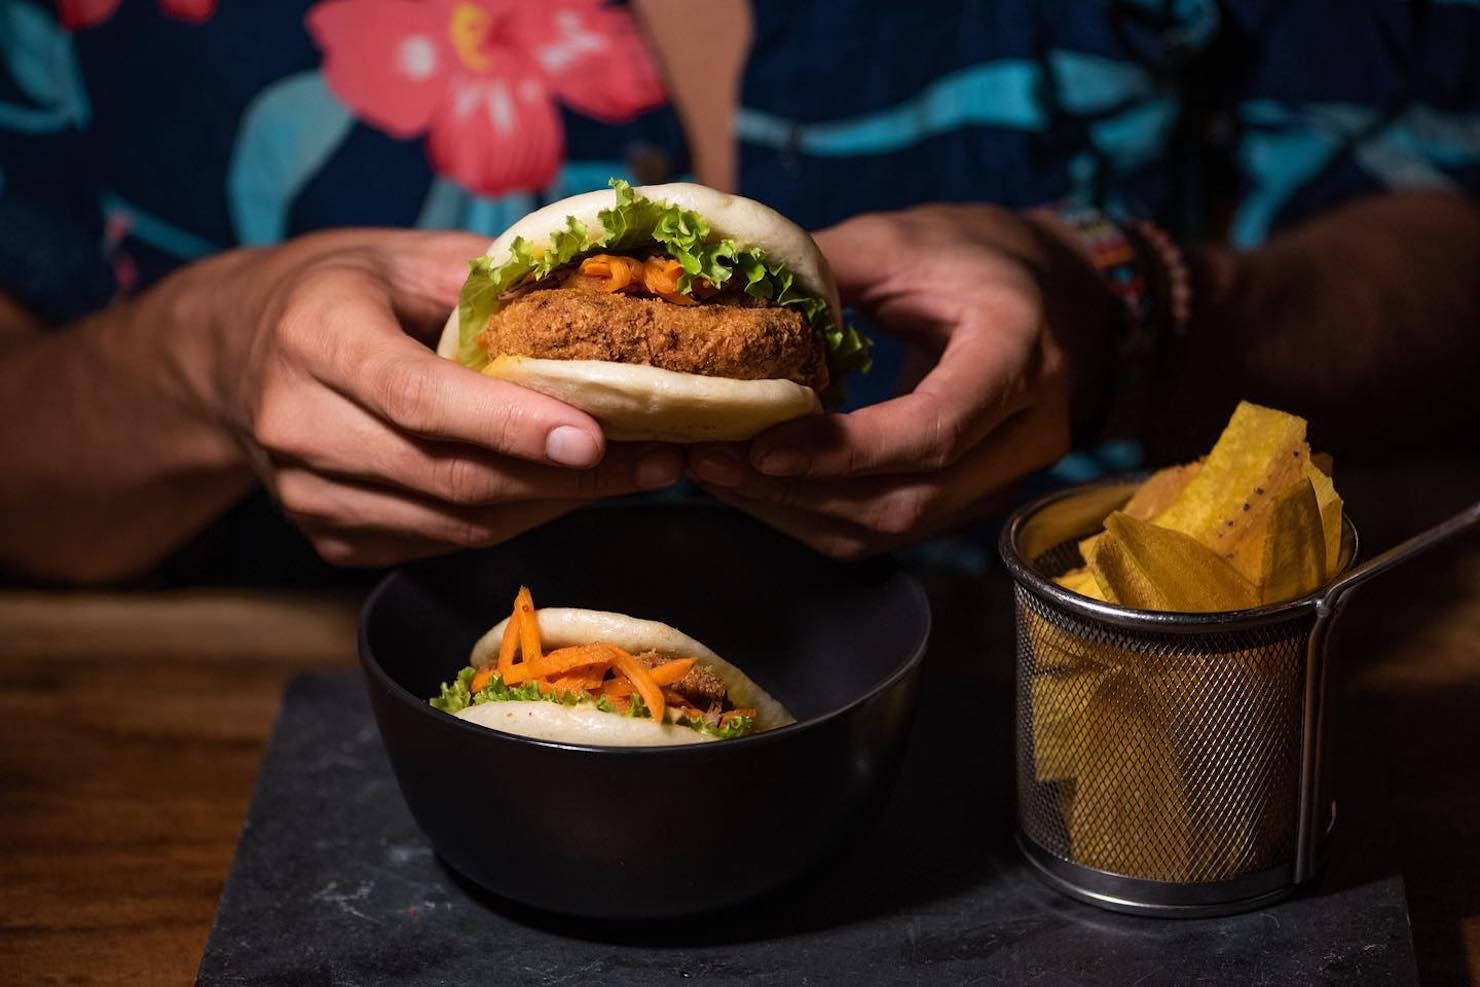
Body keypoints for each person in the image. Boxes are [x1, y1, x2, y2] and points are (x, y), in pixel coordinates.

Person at [1, 0, 1476, 583]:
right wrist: (209, 353)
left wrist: (1131, 300)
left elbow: (1446, 243)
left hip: (1059, 712)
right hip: (333, 745)